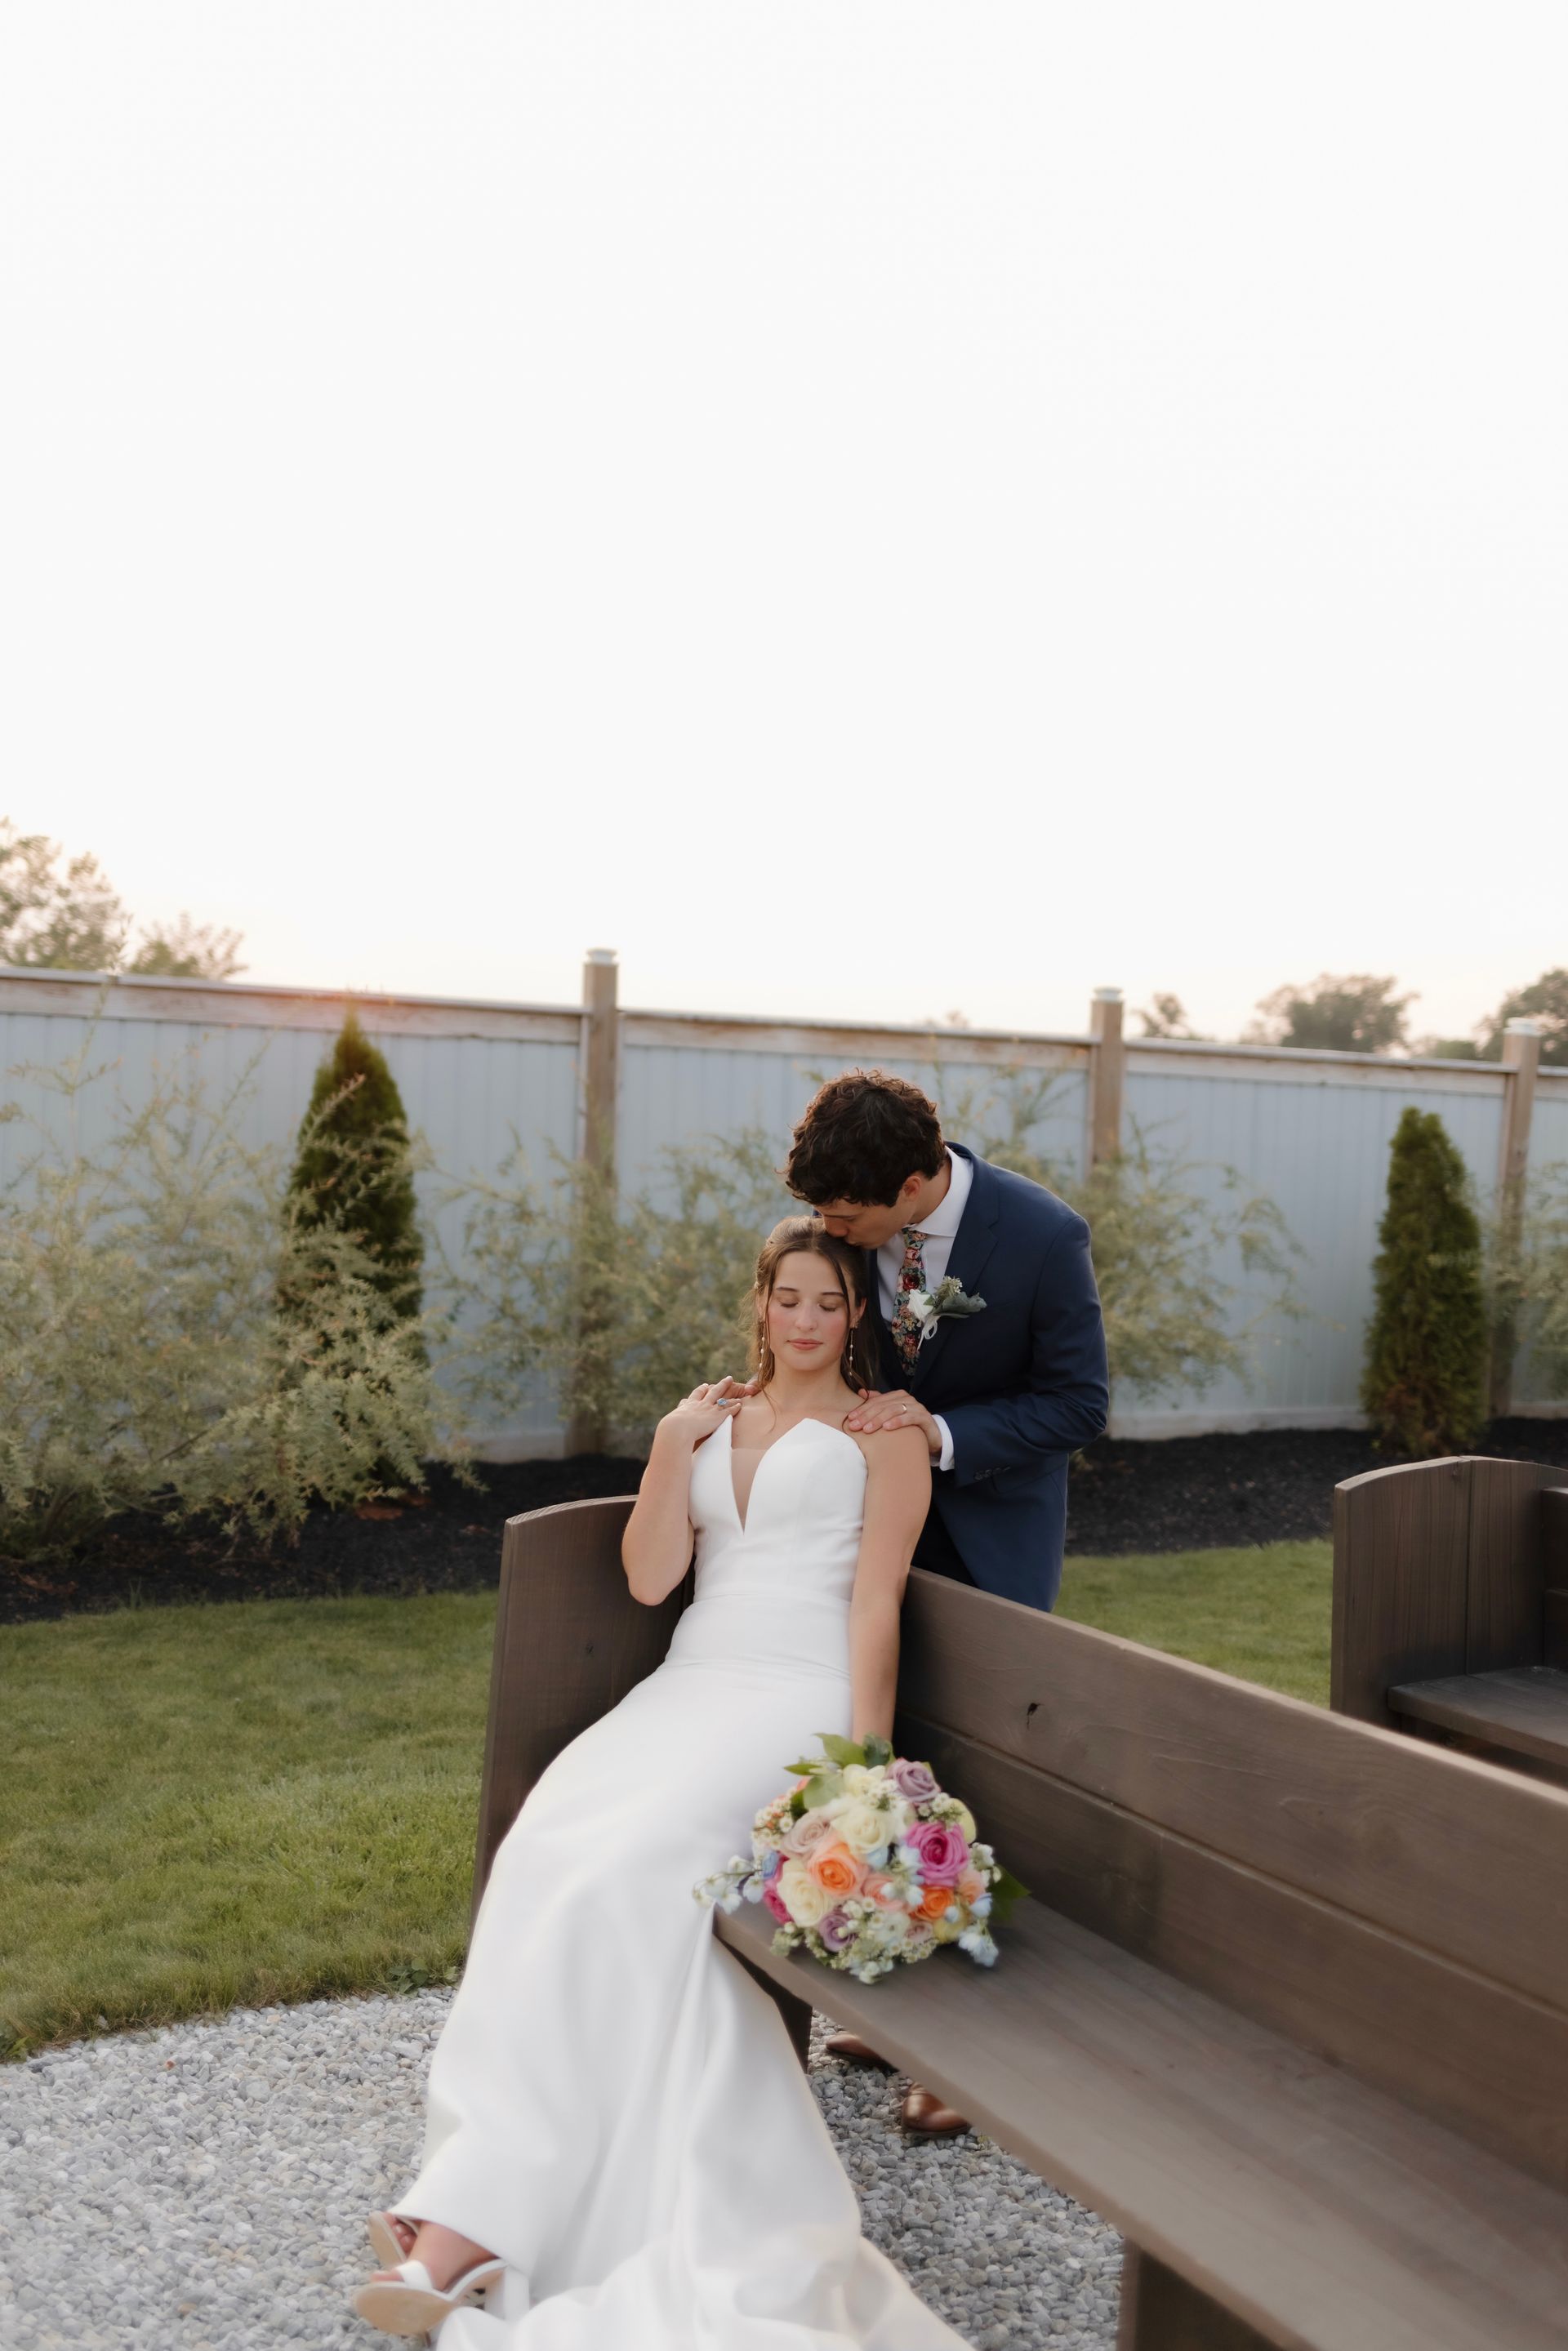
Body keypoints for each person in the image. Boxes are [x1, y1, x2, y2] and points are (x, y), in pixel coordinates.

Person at [351, 1219, 966, 2349]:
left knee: (634, 1867)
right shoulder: (710, 1418)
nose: (808, 1323)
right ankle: (484, 2198)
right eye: (789, 1298)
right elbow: (650, 1580)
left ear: (857, 1317)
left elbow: (876, 1605)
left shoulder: (884, 1436)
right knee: (551, 1845)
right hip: (692, 1686)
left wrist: (863, 1776)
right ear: (761, 1302)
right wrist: (671, 1445)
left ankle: (464, 2231)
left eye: (831, 1304)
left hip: (797, 1698)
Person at [782, 1068, 1108, 2133]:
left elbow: (1077, 1402)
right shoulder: (847, 1217)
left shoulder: (1043, 1237)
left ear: (916, 1185)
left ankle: (960, 2060)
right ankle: (890, 1995)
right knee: (883, 1758)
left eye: (848, 1217)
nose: (828, 1229)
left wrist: (943, 1434)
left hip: (988, 1542)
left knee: (973, 1788)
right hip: (863, 1533)